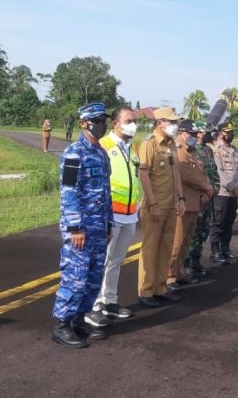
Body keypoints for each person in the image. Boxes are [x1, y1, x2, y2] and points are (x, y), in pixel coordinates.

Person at [51, 103, 115, 349]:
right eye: (96, 120)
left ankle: (78, 321)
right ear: (83, 123)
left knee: (93, 278)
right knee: (75, 277)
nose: (101, 125)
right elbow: (69, 193)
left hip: (99, 227)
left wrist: (108, 223)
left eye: (103, 120)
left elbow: (106, 192)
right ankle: (61, 325)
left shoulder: (101, 153)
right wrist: (75, 227)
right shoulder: (73, 154)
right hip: (81, 229)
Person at [92, 107, 141, 320]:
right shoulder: (104, 145)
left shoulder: (132, 147)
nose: (133, 125)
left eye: (134, 121)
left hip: (130, 214)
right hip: (111, 214)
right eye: (128, 121)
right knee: (102, 261)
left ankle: (110, 301)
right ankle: (95, 304)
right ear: (115, 124)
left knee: (116, 261)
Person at [136, 107, 186, 308]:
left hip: (171, 205)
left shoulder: (172, 144)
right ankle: (146, 290)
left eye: (175, 122)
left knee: (166, 247)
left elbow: (176, 173)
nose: (174, 125)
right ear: (160, 123)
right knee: (150, 248)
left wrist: (181, 198)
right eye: (171, 121)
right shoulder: (149, 143)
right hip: (155, 206)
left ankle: (160, 287)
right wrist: (153, 203)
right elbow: (144, 174)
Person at [167, 119, 213, 292]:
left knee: (186, 242)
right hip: (183, 203)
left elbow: (203, 173)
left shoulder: (191, 152)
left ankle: (179, 273)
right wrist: (206, 187)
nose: (194, 137)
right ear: (181, 134)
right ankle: (169, 277)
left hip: (195, 203)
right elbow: (185, 175)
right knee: (176, 243)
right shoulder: (179, 151)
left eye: (195, 134)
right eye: (190, 134)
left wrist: (207, 187)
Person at [186, 123, 221, 273]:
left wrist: (215, 188)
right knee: (193, 231)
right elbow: (193, 175)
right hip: (199, 197)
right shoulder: (191, 150)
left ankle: (196, 261)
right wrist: (203, 191)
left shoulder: (208, 150)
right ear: (199, 133)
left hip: (209, 195)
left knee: (204, 231)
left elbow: (213, 171)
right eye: (206, 132)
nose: (209, 135)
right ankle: (187, 264)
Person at [210, 122, 238, 264]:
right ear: (220, 133)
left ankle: (225, 249)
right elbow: (219, 172)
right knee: (218, 222)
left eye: (231, 132)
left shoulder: (234, 150)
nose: (230, 135)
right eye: (227, 132)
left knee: (229, 222)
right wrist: (231, 186)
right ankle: (215, 251)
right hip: (222, 192)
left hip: (234, 193)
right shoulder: (216, 150)